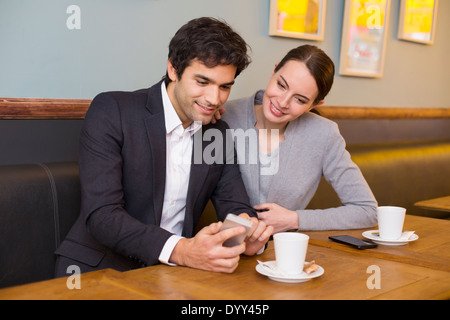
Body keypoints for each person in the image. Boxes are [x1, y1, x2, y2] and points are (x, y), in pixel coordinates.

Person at [54, 17, 273, 276]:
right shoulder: (113, 111)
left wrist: (247, 234)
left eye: (225, 87)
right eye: (202, 82)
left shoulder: (216, 133)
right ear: (173, 69)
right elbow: (102, 215)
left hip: (175, 276)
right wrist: (182, 250)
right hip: (100, 269)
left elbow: (235, 206)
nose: (214, 99)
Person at [220, 45, 377, 233]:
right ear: (274, 70)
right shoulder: (223, 116)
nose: (283, 102)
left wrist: (295, 219)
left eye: (300, 100)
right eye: (281, 85)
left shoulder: (323, 134)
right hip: (221, 250)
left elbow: (367, 210)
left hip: (283, 254)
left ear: (314, 105)